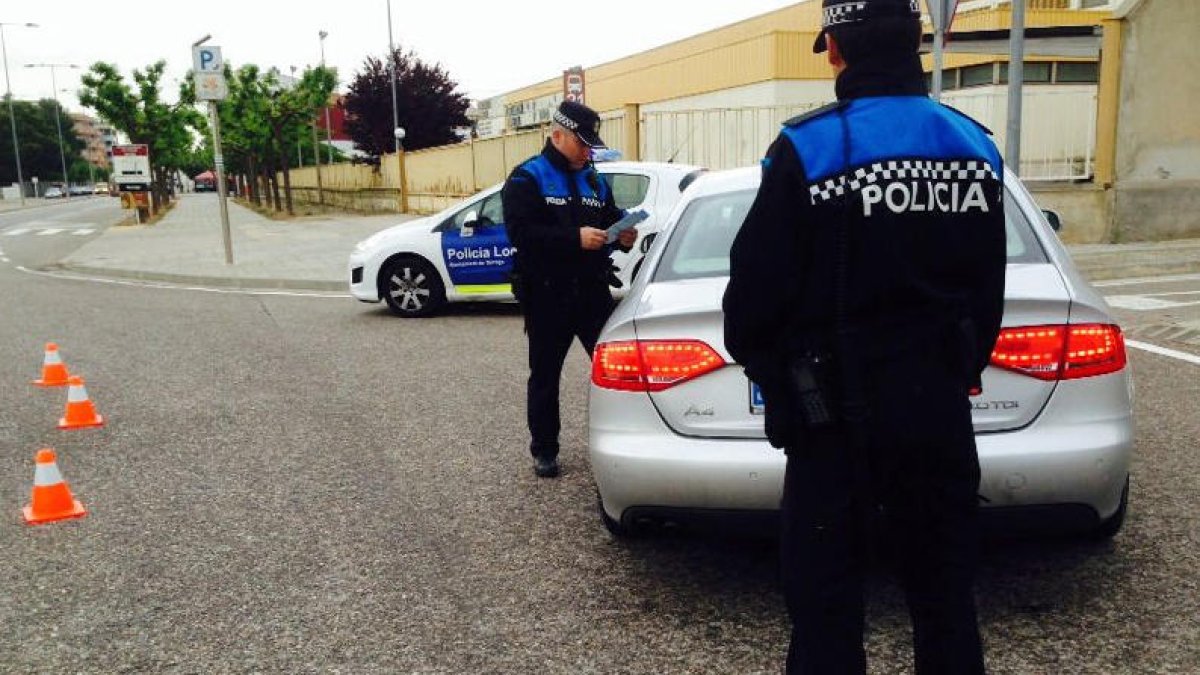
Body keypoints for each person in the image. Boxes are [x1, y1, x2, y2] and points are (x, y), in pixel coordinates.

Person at [722, 0, 1008, 672]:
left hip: (833, 426)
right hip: (937, 416)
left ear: (837, 49)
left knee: (825, 615)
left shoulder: (805, 149)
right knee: (945, 603)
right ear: (914, 44)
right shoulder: (975, 145)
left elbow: (752, 302)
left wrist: (782, 381)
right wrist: (951, 369)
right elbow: (987, 292)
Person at [502, 101, 639, 478]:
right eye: (582, 143)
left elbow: (609, 222)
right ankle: (544, 450)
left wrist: (623, 236)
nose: (587, 151)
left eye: (591, 144)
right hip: (547, 294)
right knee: (545, 375)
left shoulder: (594, 178)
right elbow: (521, 235)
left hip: (593, 292)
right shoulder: (526, 178)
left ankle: (633, 439)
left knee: (620, 370)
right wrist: (572, 238)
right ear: (557, 135)